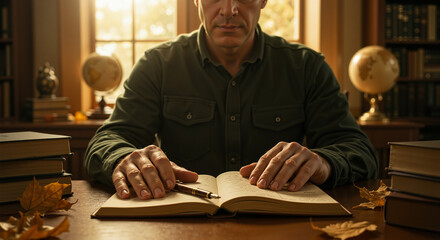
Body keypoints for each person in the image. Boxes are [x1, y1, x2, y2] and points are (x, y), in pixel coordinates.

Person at [85, 0, 378, 200]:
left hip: (282, 226)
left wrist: (324, 163)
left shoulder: (307, 67)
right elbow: (107, 141)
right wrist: (123, 159)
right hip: (179, 224)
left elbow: (360, 151)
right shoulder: (157, 64)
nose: (229, 10)